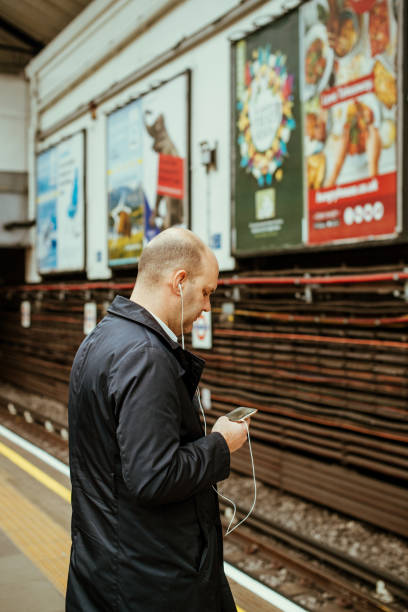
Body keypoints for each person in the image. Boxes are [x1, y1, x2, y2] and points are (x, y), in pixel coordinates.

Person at [66, 228, 250, 611]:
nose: (207, 308)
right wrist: (220, 444)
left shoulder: (100, 339)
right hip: (152, 583)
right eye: (207, 292)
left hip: (103, 564)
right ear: (180, 281)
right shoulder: (146, 356)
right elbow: (153, 477)